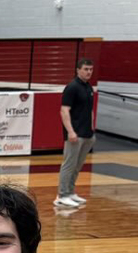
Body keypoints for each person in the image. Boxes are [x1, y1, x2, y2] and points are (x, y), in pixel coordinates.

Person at [53, 58, 96, 209]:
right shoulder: (72, 87)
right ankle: (62, 195)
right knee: (69, 165)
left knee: (77, 166)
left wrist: (91, 129)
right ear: (78, 70)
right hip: (75, 134)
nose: (88, 72)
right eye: (86, 69)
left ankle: (70, 192)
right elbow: (64, 111)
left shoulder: (89, 88)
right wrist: (71, 132)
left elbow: (89, 110)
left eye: (90, 69)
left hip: (87, 134)